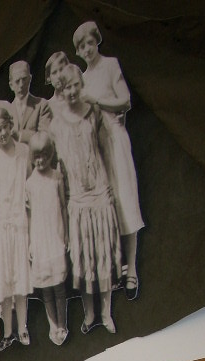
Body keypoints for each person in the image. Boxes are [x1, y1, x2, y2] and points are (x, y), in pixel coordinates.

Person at [73, 20, 143, 299]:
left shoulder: (111, 65)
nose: (87, 49)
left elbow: (125, 101)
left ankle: (133, 270)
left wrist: (97, 101)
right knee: (107, 207)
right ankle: (117, 267)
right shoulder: (82, 80)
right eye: (81, 46)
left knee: (126, 201)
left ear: (97, 41)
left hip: (115, 139)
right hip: (96, 147)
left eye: (89, 42)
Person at [51, 64, 120, 334]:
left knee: (102, 256)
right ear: (60, 89)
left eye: (75, 86)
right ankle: (90, 315)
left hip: (100, 193)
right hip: (76, 199)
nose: (71, 92)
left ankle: (106, 313)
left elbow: (106, 151)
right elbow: (57, 168)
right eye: (65, 87)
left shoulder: (94, 115)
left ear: (81, 86)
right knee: (82, 260)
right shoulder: (56, 124)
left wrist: (111, 185)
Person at [0, 105, 32, 347]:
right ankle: (7, 332)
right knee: (4, 282)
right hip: (0, 227)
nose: (1, 134)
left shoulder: (23, 152)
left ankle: (23, 328)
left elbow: (29, 183)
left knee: (20, 280)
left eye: (3, 128)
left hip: (19, 222)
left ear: (10, 126)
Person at [25, 131, 70, 344]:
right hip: (40, 239)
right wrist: (31, 243)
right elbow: (30, 215)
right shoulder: (30, 184)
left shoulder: (57, 177)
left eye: (43, 155)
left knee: (59, 286)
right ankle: (52, 325)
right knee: (46, 288)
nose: (40, 160)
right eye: (36, 157)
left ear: (50, 155)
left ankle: (63, 324)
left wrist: (67, 234)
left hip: (56, 235)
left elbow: (63, 206)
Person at [8, 60, 52, 144]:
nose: (21, 85)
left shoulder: (42, 105)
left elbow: (45, 137)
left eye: (24, 79)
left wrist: (21, 136)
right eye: (17, 81)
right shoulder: (6, 110)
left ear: (30, 79)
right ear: (11, 85)